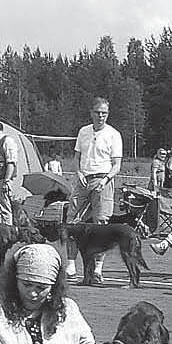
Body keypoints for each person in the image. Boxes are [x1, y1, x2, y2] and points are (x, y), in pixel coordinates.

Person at [71, 97, 123, 282]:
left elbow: (117, 164)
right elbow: (76, 157)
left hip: (104, 181)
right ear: (91, 113)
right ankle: (71, 268)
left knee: (101, 225)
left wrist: (106, 179)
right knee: (73, 223)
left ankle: (97, 270)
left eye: (104, 113)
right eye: (98, 112)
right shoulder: (83, 132)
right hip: (83, 181)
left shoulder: (114, 134)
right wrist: (78, 173)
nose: (101, 116)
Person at [0, 120, 26, 225]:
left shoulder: (8, 142)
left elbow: (11, 162)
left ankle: (7, 230)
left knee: (3, 206)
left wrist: (6, 181)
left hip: (2, 179)